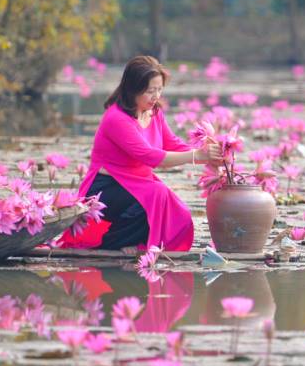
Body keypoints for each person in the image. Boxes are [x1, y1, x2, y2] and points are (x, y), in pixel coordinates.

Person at [59, 56, 220, 252]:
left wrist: (209, 154)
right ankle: (107, 245)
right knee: (156, 195)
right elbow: (151, 157)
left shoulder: (155, 112)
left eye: (159, 90)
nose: (156, 96)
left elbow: (172, 144)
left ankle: (136, 245)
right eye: (150, 91)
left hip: (136, 184)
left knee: (180, 214)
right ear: (133, 88)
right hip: (105, 188)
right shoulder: (116, 118)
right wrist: (197, 156)